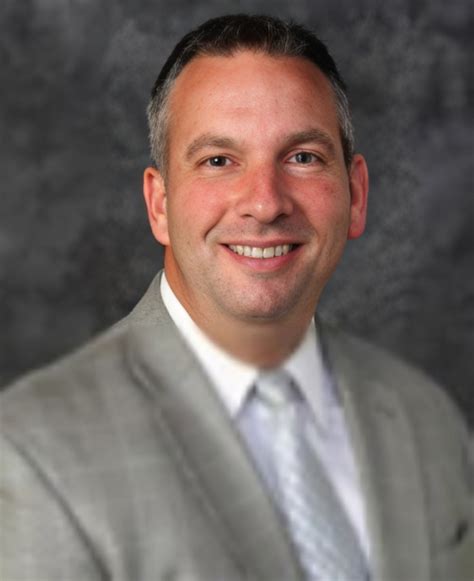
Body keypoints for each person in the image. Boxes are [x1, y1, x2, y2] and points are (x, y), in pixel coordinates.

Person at [1, 14, 472, 581]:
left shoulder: (426, 419)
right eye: (219, 161)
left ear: (356, 193)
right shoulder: (34, 452)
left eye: (302, 157)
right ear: (159, 205)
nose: (266, 203)